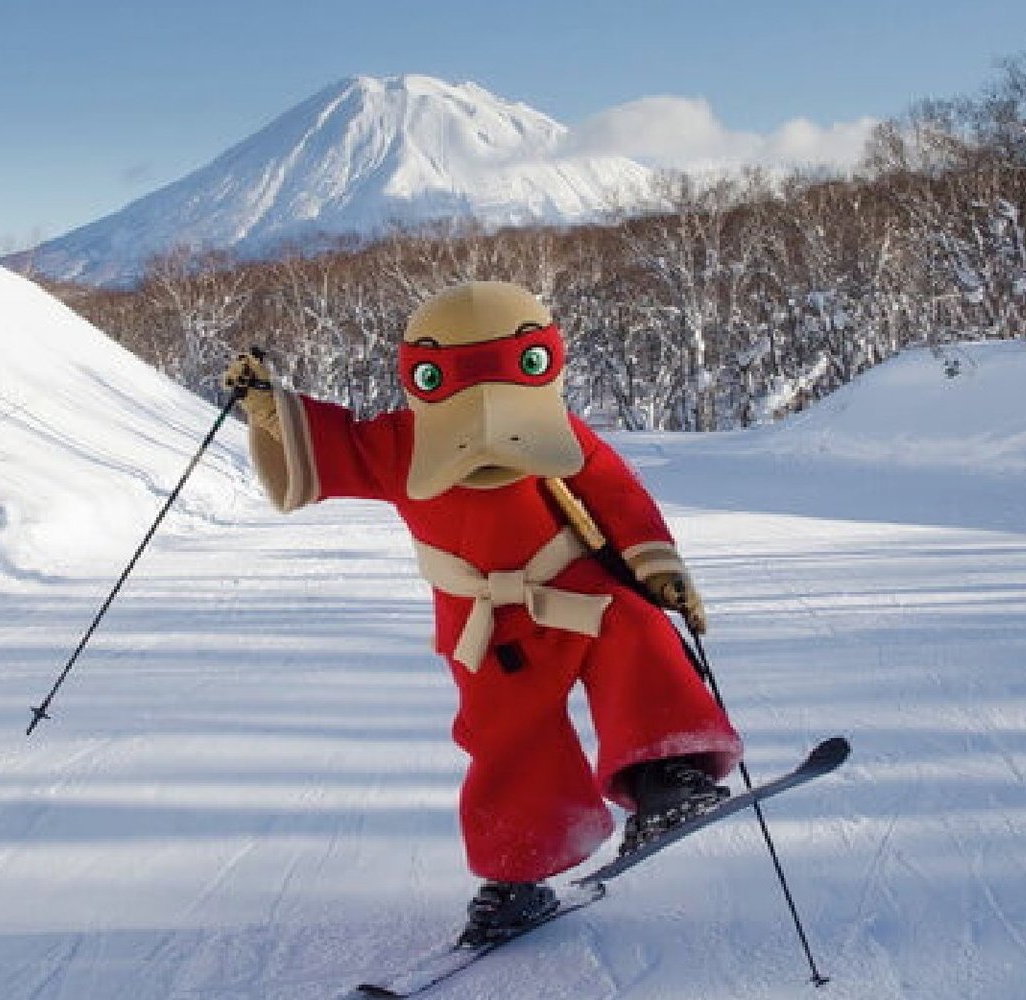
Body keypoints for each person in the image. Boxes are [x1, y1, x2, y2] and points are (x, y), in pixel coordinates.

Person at [222, 280, 742, 946]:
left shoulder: (558, 431)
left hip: (576, 588)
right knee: (507, 740)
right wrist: (270, 406)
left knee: (637, 631)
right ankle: (518, 875)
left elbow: (617, 496)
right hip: (485, 625)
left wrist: (658, 567)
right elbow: (329, 447)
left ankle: (667, 778)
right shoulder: (396, 442)